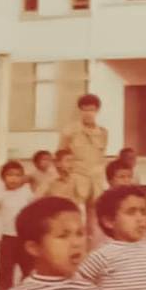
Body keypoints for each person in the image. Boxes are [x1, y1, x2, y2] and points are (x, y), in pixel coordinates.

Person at [0, 161, 35, 290]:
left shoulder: (27, 193)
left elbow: (35, 214)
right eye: (9, 175)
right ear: (2, 177)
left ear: (22, 177)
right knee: (5, 275)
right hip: (8, 240)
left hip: (25, 240)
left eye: (18, 175)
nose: (13, 178)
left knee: (29, 273)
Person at [58, 93, 109, 223]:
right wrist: (64, 177)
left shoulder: (102, 132)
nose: (88, 113)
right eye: (84, 110)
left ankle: (91, 243)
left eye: (91, 110)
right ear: (79, 110)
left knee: (94, 218)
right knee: (74, 215)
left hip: (96, 181)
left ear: (97, 110)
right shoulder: (70, 130)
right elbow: (60, 155)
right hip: (76, 178)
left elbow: (101, 156)